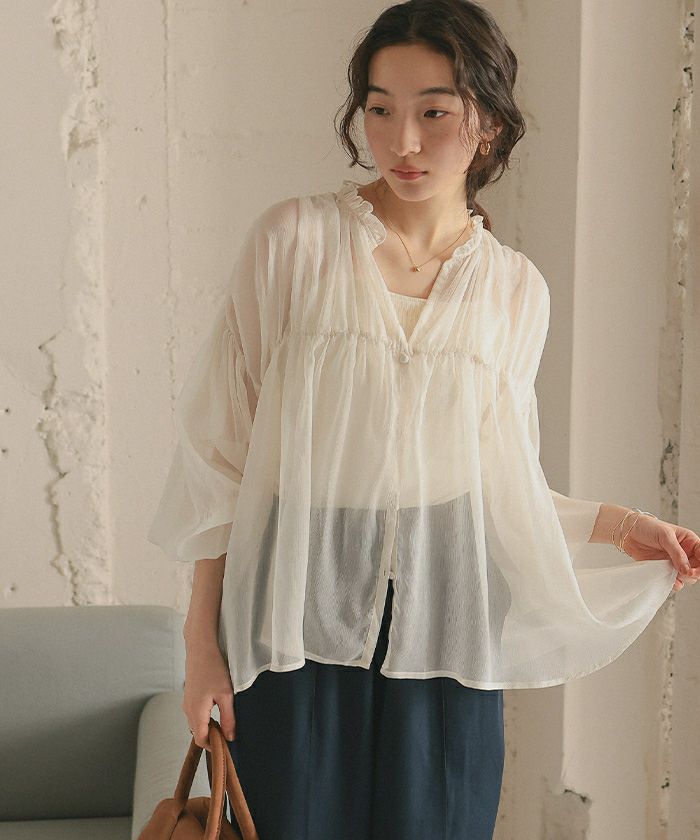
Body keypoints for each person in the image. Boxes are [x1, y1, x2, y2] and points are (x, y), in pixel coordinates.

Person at [147, 1, 700, 838]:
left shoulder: (514, 290)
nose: (402, 141)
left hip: (450, 628)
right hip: (294, 619)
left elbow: (501, 492)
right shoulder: (295, 243)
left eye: (434, 113)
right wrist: (201, 649)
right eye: (380, 110)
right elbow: (220, 458)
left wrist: (625, 528)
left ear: (489, 123)